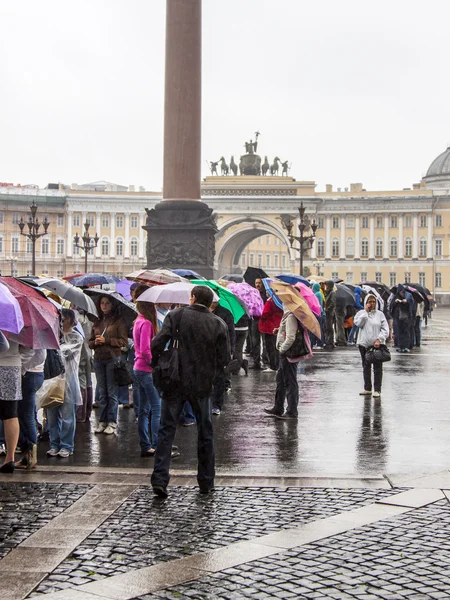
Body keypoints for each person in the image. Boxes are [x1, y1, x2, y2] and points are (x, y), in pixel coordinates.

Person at [150, 285, 230, 497]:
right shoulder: (218, 323)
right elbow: (225, 359)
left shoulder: (175, 315)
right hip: (202, 384)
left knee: (166, 430)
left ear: (192, 298)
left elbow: (157, 343)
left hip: (174, 380)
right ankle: (206, 482)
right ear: (210, 301)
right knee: (205, 433)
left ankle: (160, 479)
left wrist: (158, 362)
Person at [47, 309, 83, 457]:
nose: (62, 322)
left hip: (69, 378)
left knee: (67, 414)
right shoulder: (53, 335)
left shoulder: (76, 337)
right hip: (53, 378)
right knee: (52, 414)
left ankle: (67, 445)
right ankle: (54, 444)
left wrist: (56, 345)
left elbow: (67, 354)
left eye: (65, 318)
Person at [89, 295, 128, 434]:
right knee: (102, 392)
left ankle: (112, 421)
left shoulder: (118, 321)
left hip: (112, 359)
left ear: (112, 305)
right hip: (98, 359)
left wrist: (106, 341)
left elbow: (123, 341)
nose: (104, 306)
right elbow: (90, 341)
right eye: (102, 303)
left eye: (107, 303)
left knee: (111, 392)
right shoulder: (97, 321)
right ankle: (102, 420)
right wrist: (95, 343)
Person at [133, 299, 161, 457]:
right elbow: (145, 349)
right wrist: (154, 363)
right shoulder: (147, 324)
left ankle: (146, 445)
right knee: (156, 408)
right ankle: (157, 444)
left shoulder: (138, 321)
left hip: (138, 368)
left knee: (143, 410)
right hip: (146, 369)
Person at [263, 308, 300, 420]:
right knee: (281, 380)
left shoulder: (291, 316)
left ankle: (292, 411)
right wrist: (279, 330)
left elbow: (291, 337)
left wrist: (282, 350)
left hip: (288, 353)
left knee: (290, 381)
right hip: (285, 353)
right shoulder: (289, 315)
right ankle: (278, 407)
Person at [354, 295, 389, 398]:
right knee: (366, 366)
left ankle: (377, 389)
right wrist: (366, 313)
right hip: (364, 344)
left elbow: (385, 328)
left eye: (374, 302)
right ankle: (367, 388)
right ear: (366, 303)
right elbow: (358, 324)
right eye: (370, 302)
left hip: (376, 345)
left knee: (377, 368)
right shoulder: (361, 313)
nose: (372, 304)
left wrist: (380, 339)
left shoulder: (380, 315)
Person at [17, 348, 46, 469]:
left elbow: (40, 355)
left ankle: (30, 452)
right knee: (22, 415)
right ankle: (28, 454)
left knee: (26, 415)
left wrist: (22, 367)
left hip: (30, 374)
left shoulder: (33, 332)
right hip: (33, 374)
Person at [211, 301, 235, 415]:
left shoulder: (225, 313)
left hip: (220, 350)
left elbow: (231, 332)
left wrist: (231, 350)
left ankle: (217, 405)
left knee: (219, 378)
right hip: (206, 350)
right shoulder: (203, 312)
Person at [258, 297, 283, 372]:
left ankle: (273, 366)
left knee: (270, 347)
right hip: (278, 324)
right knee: (276, 347)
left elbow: (265, 314)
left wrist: (260, 315)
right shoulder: (280, 300)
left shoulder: (270, 301)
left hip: (269, 327)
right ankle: (277, 365)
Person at [249, 278, 267, 369]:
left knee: (265, 341)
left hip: (264, 320)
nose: (257, 284)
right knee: (255, 342)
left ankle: (265, 360)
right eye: (256, 283)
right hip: (255, 320)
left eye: (259, 283)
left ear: (262, 284)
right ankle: (256, 362)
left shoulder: (266, 294)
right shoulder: (253, 294)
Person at [391, 284, 414, 353]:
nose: (401, 293)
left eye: (402, 292)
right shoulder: (396, 297)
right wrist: (395, 302)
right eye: (400, 292)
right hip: (398, 318)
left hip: (406, 318)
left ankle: (406, 346)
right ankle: (401, 346)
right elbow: (392, 306)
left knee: (406, 332)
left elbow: (411, 306)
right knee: (399, 333)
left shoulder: (408, 296)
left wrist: (406, 302)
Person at [323, 280, 336, 350]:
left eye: (327, 285)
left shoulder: (332, 293)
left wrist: (327, 309)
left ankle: (330, 342)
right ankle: (328, 341)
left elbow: (333, 303)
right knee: (327, 328)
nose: (326, 286)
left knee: (329, 328)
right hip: (327, 313)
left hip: (329, 313)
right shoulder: (328, 293)